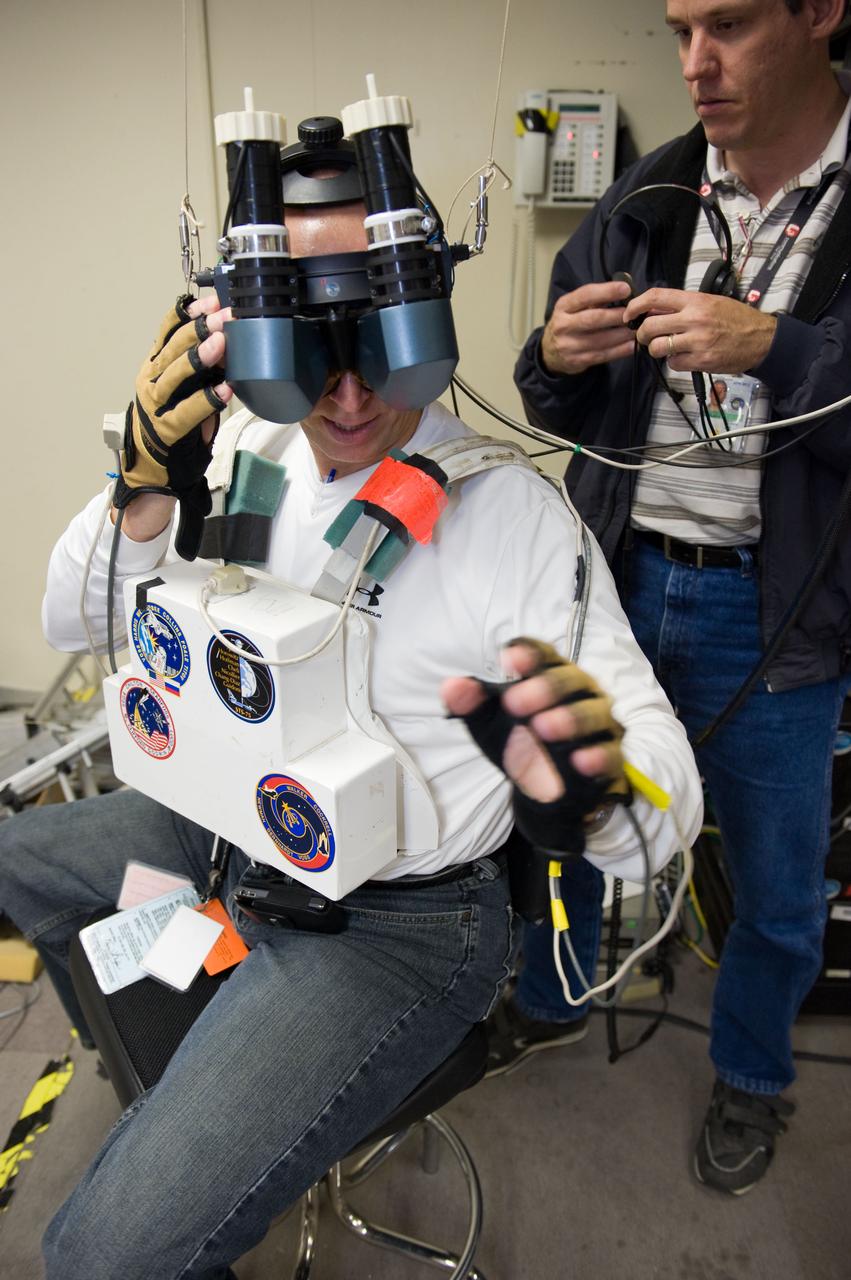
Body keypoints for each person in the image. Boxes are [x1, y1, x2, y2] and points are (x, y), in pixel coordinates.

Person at [0, 131, 702, 1279]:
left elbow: (655, 792)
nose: (346, 393)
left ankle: (210, 1116)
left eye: (371, 342)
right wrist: (138, 491)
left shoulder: (509, 522)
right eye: (309, 350)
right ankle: (191, 1056)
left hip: (388, 926)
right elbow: (71, 622)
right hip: (220, 831)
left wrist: (593, 788)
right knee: (22, 862)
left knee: (97, 1254)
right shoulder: (233, 443)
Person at [506, 0, 851, 1196]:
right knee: (567, 809)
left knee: (775, 884)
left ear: (820, 14)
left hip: (776, 619)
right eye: (677, 30)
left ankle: (751, 1073)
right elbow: (545, 395)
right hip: (613, 580)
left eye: (731, 25)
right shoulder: (647, 195)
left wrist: (777, 348)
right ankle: (548, 999)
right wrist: (551, 357)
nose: (694, 63)